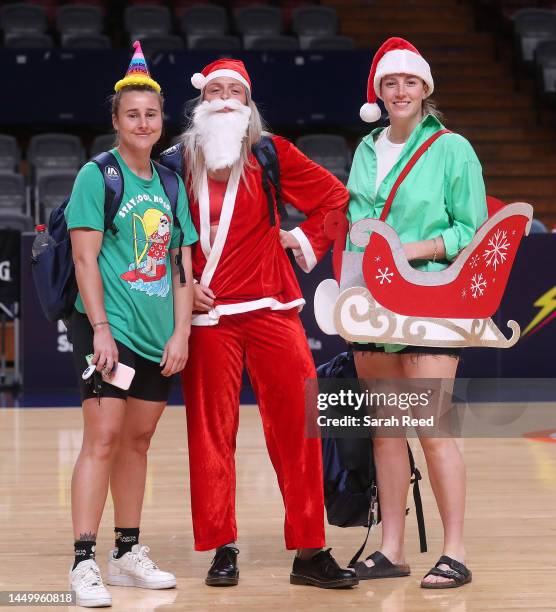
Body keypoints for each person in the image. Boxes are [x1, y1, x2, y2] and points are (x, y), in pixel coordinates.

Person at [160, 58, 357, 589]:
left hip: (272, 308)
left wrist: (301, 240)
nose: (224, 98)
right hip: (208, 319)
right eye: (215, 90)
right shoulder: (174, 163)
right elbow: (151, 239)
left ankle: (311, 549)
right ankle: (222, 546)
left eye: (235, 92)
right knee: (210, 437)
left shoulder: (271, 153)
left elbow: (336, 199)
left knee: (298, 429)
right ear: (201, 103)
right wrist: (181, 287)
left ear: (248, 105)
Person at [346, 38, 487, 588]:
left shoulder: (452, 149)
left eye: (409, 81)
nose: (399, 91)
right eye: (389, 82)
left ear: (425, 89)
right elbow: (359, 230)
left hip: (430, 301)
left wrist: (411, 250)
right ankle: (392, 550)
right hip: (372, 305)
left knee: (431, 429)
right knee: (386, 432)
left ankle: (454, 552)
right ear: (378, 92)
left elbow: (470, 232)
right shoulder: (364, 150)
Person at [65, 42, 197, 607]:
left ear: (162, 120)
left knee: (137, 443)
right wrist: (100, 329)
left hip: (156, 337)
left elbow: (183, 267)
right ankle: (83, 561)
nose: (143, 123)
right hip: (110, 333)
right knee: (103, 440)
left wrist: (181, 332)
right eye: (132, 115)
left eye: (152, 114)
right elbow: (84, 259)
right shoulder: (98, 176)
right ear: (116, 121)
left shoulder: (170, 183)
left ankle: (125, 554)